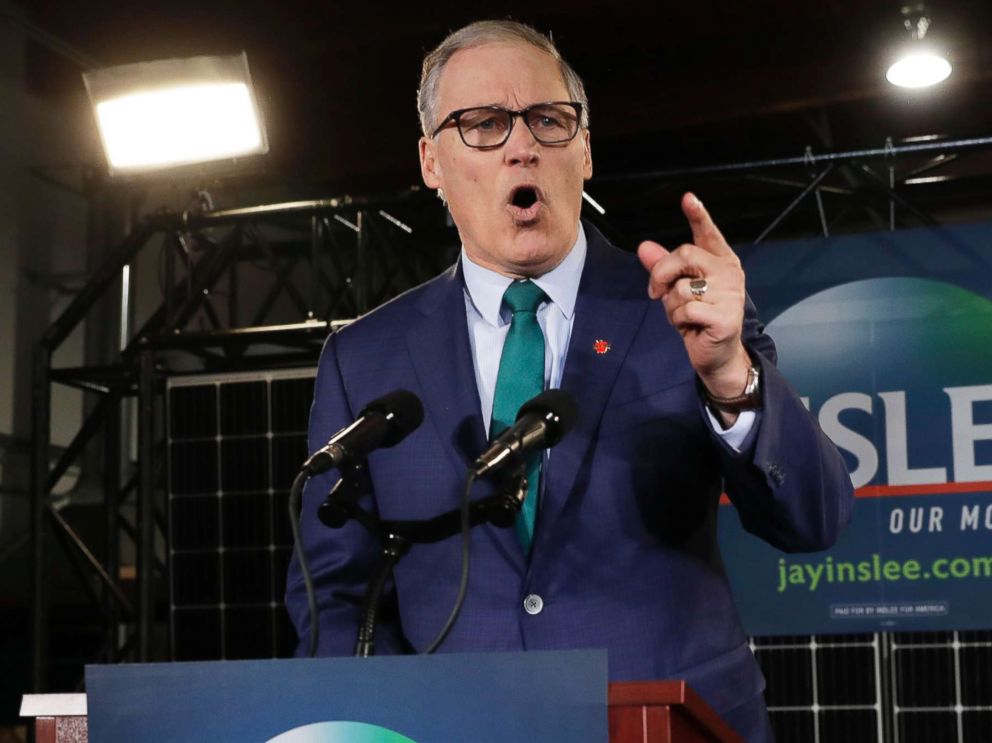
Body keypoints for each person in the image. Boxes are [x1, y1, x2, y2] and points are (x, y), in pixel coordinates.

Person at [286, 20, 853, 742]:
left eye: (549, 121)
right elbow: (334, 592)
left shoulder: (682, 310)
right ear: (432, 161)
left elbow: (813, 518)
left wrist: (730, 375)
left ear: (583, 149)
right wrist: (384, 723)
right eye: (484, 123)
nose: (522, 145)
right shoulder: (362, 358)